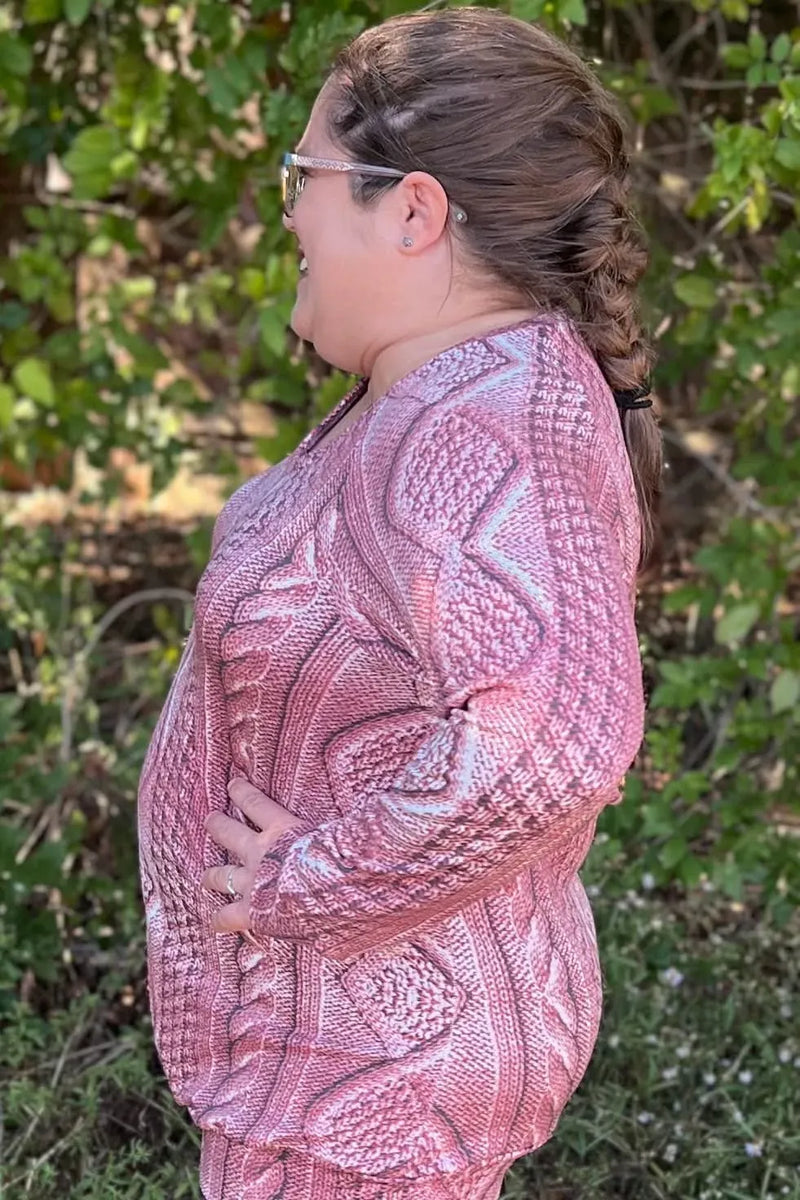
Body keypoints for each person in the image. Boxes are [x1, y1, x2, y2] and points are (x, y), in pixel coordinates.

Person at [137, 6, 663, 1198]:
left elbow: (552, 745)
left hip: (369, 1094)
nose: (288, 212)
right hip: (331, 1086)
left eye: (303, 175)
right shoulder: (444, 396)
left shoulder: (482, 418)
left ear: (412, 210)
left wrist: (308, 880)